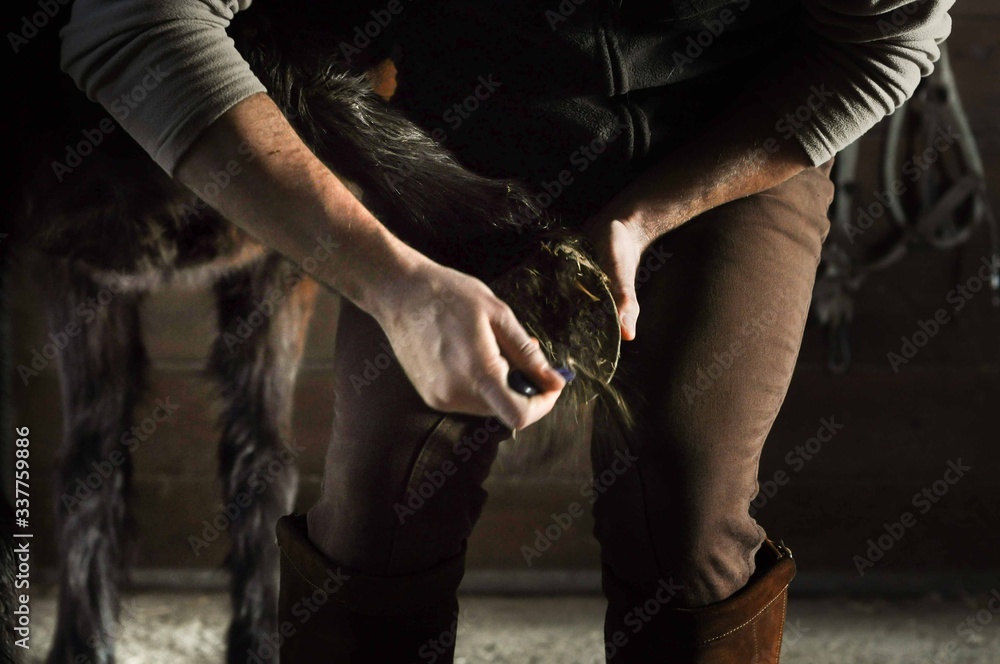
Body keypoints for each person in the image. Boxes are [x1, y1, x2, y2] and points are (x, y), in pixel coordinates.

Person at [60, 0, 952, 661]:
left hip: (728, 130)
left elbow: (887, 44)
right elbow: (133, 23)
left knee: (683, 499)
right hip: (464, 134)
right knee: (380, 509)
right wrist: (393, 282)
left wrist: (647, 216)